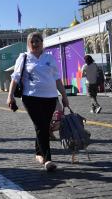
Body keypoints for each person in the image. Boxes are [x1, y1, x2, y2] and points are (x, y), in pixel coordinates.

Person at [7, 32, 69, 172]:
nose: (35, 44)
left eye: (37, 41)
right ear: (28, 44)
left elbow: (57, 79)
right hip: (31, 97)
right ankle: (48, 159)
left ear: (42, 42)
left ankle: (38, 153)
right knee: (40, 125)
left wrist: (64, 97)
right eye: (32, 42)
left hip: (50, 97)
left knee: (44, 126)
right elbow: (15, 78)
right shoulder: (24, 57)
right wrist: (10, 96)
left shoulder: (50, 58)